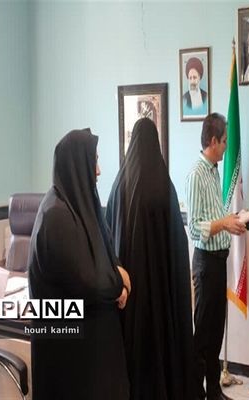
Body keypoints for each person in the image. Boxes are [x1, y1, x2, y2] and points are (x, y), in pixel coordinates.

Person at [28, 128, 130, 400]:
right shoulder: (56, 215)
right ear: (76, 165)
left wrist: (116, 278)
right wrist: (119, 281)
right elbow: (89, 281)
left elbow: (105, 249)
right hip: (71, 361)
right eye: (93, 161)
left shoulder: (78, 205)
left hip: (91, 353)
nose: (98, 171)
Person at [106, 118, 193, 400]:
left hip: (128, 294)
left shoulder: (119, 185)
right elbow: (177, 246)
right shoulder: (163, 186)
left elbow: (108, 237)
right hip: (160, 295)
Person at [185, 113, 246, 400]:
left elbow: (215, 214)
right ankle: (195, 393)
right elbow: (194, 227)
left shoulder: (213, 171)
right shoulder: (196, 175)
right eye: (223, 141)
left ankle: (213, 391)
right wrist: (224, 224)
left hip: (219, 262)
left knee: (215, 332)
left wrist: (234, 220)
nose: (226, 146)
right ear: (212, 141)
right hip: (206, 264)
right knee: (203, 335)